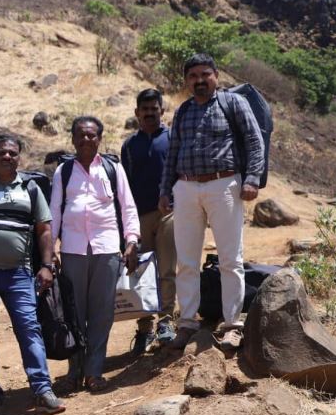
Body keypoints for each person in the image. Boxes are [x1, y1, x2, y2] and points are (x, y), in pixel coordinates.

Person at [160, 53, 265, 352]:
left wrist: (252, 179)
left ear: (216, 76)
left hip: (224, 184)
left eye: (205, 74)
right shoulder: (182, 111)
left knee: (230, 259)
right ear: (187, 81)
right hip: (186, 187)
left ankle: (232, 325)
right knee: (186, 261)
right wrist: (165, 190)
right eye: (193, 76)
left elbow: (254, 141)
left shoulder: (233, 103)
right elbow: (173, 153)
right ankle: (187, 323)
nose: (199, 81)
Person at [0, 134, 66, 415]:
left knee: (29, 328)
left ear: (19, 156)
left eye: (12, 153)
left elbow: (44, 229)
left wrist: (47, 265)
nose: (7, 157)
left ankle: (42, 390)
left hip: (19, 273)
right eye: (1, 153)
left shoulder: (30, 188)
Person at [51, 117, 140, 393]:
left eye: (91, 135)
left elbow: (128, 207)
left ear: (99, 138)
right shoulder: (63, 171)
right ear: (73, 139)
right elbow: (54, 211)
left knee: (101, 313)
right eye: (81, 135)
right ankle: (74, 372)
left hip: (107, 248)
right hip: (73, 250)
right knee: (74, 314)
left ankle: (94, 372)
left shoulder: (113, 169)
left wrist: (132, 240)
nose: (86, 140)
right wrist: (51, 248)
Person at [121, 89, 178, 354]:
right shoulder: (129, 146)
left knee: (167, 270)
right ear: (137, 113)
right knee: (141, 273)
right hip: (139, 217)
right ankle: (145, 328)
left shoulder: (172, 139)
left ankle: (166, 322)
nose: (150, 114)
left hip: (169, 214)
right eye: (145, 110)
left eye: (154, 109)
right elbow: (125, 186)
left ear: (162, 111)